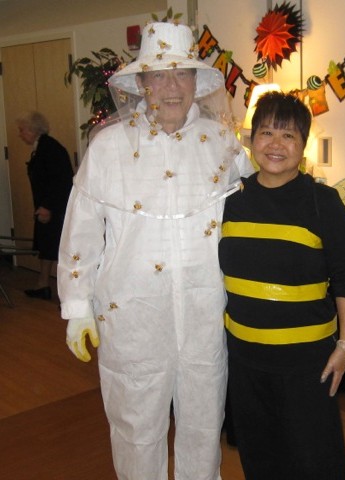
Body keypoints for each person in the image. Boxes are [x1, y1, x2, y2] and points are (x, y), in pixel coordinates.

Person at [57, 21, 253, 480]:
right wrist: (77, 306)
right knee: (136, 428)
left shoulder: (222, 144)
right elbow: (81, 231)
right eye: (159, 76)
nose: (171, 87)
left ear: (195, 82)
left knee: (204, 427)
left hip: (205, 313)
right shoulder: (108, 148)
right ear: (142, 83)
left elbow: (258, 205)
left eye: (181, 74)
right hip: (132, 318)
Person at [219, 91, 345, 480]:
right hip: (244, 357)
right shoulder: (231, 199)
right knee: (258, 454)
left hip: (305, 361)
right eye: (266, 133)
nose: (275, 145)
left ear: (303, 145)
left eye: (289, 136)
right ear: (250, 141)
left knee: (314, 459)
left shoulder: (323, 203)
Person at [16, 111, 73, 300]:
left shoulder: (50, 148)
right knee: (48, 247)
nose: (20, 134)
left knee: (57, 247)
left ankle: (67, 291)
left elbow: (60, 181)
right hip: (47, 207)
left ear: (32, 130)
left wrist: (47, 207)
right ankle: (43, 285)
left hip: (54, 208)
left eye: (22, 130)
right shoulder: (42, 147)